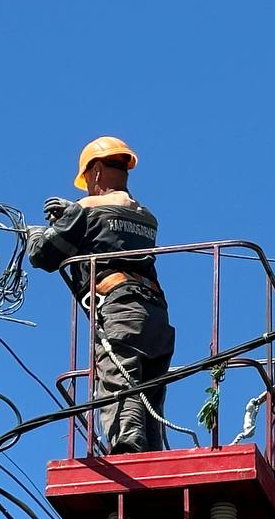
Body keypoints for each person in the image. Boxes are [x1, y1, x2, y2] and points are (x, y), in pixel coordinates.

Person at [26, 136, 175, 454]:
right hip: (155, 314)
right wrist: (71, 215)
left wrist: (37, 233)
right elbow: (110, 234)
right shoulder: (146, 216)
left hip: (120, 307)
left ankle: (128, 450)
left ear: (94, 171)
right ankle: (150, 454)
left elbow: (43, 256)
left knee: (119, 378)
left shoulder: (86, 210)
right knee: (148, 390)